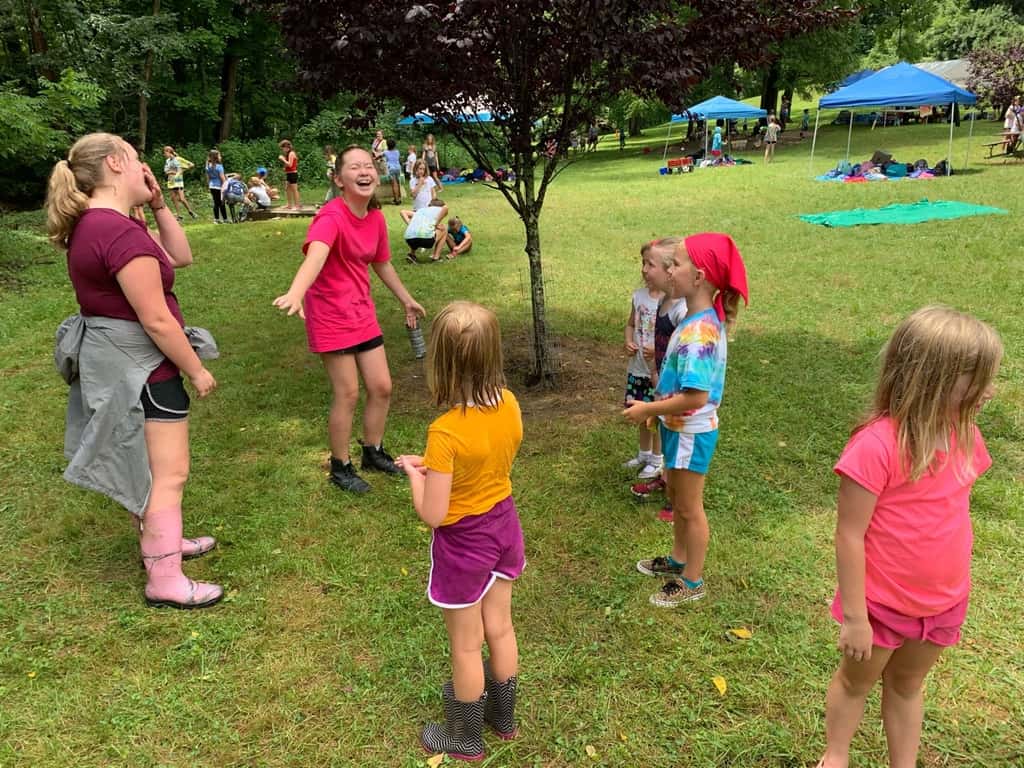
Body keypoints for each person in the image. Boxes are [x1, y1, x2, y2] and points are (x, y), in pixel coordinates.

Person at [815, 306, 1002, 768]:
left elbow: (949, 513)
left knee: (907, 685)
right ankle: (836, 756)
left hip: (942, 603)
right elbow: (849, 535)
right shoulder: (876, 445)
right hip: (880, 605)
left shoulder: (965, 436)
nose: (989, 391)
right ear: (933, 379)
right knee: (856, 682)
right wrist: (856, 617)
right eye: (975, 379)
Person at [47, 132, 222, 609]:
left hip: (119, 366)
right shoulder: (118, 232)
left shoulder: (99, 224)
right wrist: (196, 371)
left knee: (144, 466)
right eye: (136, 156)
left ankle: (162, 544)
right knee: (168, 474)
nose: (146, 165)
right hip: (143, 369)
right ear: (116, 163)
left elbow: (180, 258)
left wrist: (159, 206)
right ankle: (164, 576)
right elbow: (156, 319)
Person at [396, 301, 524, 762]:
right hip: (504, 526)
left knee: (467, 646)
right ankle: (503, 718)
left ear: (441, 361)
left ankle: (465, 738)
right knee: (501, 628)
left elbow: (434, 514)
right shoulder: (509, 403)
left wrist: (417, 475)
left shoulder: (445, 432)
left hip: (465, 546)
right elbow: (488, 458)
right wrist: (434, 467)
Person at [273, 145, 425, 493]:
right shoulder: (331, 216)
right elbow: (316, 254)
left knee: (381, 387)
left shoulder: (374, 218)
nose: (364, 171)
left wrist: (406, 300)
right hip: (329, 314)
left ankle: (372, 451)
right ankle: (340, 467)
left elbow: (382, 262)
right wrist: (296, 292)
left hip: (361, 312)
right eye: (355, 167)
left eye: (369, 165)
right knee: (348, 393)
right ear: (339, 179)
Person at [624, 234, 749, 606]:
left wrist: (648, 409)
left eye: (675, 264)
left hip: (691, 431)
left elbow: (696, 396)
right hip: (678, 427)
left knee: (690, 508)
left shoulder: (700, 332)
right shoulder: (695, 317)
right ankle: (678, 560)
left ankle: (692, 581)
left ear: (699, 276)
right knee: (678, 499)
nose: (668, 270)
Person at [628, 238, 687, 523]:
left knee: (676, 443)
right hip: (660, 380)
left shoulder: (682, 310)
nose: (645, 269)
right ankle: (665, 479)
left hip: (677, 392)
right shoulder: (662, 301)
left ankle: (678, 501)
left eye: (651, 264)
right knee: (666, 431)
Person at [622, 243, 666, 483]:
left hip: (656, 373)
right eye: (643, 263)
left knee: (656, 417)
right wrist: (629, 340)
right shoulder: (638, 297)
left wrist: (658, 352)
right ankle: (644, 454)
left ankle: (657, 459)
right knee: (640, 412)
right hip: (637, 368)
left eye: (650, 264)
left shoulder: (670, 303)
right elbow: (630, 323)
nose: (644, 269)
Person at [404, 199, 448, 263]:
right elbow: (446, 208)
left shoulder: (420, 211)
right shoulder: (440, 209)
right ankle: (436, 257)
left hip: (409, 240)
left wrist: (409, 224)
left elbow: (402, 211)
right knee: (444, 228)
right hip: (426, 240)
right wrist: (436, 225)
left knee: (417, 232)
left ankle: (411, 255)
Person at [161, 146, 197, 221]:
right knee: (173, 199)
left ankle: (191, 211)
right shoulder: (167, 161)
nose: (164, 155)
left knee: (181, 198)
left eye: (165, 153)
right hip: (170, 181)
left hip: (178, 181)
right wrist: (171, 172)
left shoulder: (178, 159)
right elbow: (166, 171)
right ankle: (179, 215)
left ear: (169, 152)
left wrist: (181, 171)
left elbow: (191, 164)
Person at [205, 149, 227, 224]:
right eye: (219, 155)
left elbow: (208, 178)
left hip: (212, 186)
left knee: (216, 203)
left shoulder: (208, 166)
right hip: (219, 186)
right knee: (222, 203)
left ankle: (216, 219)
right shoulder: (219, 167)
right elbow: (222, 178)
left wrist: (208, 186)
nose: (221, 156)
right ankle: (225, 219)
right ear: (217, 157)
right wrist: (225, 186)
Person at [278, 139, 300, 210]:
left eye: (283, 148)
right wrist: (284, 167)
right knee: (287, 189)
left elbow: (290, 164)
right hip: (289, 174)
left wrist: (282, 159)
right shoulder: (288, 154)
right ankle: (289, 204)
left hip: (293, 174)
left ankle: (297, 206)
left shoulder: (291, 153)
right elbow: (288, 165)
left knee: (294, 190)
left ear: (287, 147)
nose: (282, 150)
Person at [384, 139, 402, 205]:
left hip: (391, 168)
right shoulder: (397, 152)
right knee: (398, 183)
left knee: (394, 184)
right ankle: (399, 198)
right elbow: (399, 159)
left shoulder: (386, 152)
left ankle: (396, 200)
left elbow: (378, 156)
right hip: (398, 168)